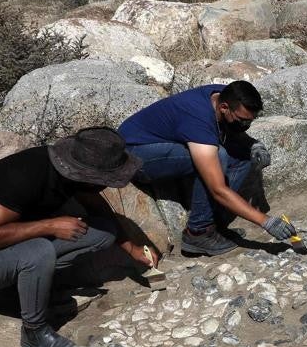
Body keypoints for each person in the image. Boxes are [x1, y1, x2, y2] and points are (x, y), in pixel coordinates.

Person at [0, 128, 154, 347]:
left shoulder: (73, 176)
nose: (107, 186)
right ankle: (34, 333)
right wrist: (51, 225)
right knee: (39, 252)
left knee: (103, 233)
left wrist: (132, 248)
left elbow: (95, 205)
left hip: (11, 248)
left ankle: (25, 291)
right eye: (106, 180)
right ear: (87, 174)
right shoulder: (25, 175)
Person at [118, 80, 297, 256]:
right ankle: (198, 233)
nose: (245, 126)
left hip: (162, 143)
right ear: (224, 108)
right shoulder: (198, 119)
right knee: (218, 157)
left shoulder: (222, 94)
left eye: (249, 121)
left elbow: (230, 129)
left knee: (244, 156)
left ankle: (213, 224)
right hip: (134, 156)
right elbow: (217, 189)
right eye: (242, 121)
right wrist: (266, 222)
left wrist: (252, 144)